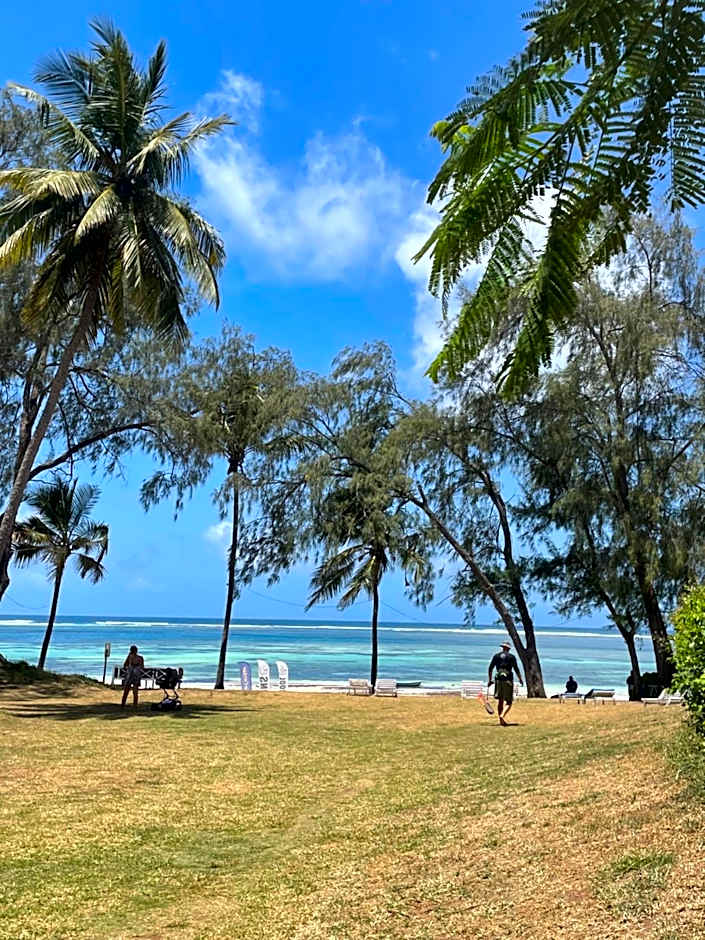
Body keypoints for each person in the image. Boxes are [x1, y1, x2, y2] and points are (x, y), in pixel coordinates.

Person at [488, 641, 524, 725]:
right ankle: (502, 715)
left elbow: (490, 668)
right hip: (508, 679)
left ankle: (500, 720)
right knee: (509, 701)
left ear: (502, 647)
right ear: (509, 648)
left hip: (498, 679)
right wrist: (520, 679)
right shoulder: (512, 657)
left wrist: (490, 680)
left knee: (500, 700)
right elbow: (516, 669)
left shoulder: (496, 656)